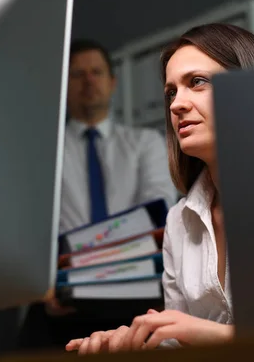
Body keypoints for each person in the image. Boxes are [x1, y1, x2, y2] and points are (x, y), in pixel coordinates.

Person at [65, 23, 254, 355]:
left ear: (249, 86)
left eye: (197, 82)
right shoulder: (179, 221)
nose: (177, 104)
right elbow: (178, 343)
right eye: (171, 92)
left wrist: (214, 336)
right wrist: (132, 342)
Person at [18, 39, 177, 349]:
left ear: (112, 81)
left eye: (96, 72)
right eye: (77, 74)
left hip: (135, 291)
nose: (88, 81)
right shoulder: (40, 151)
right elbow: (27, 226)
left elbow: (155, 214)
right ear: (64, 84)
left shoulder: (147, 143)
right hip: (58, 295)